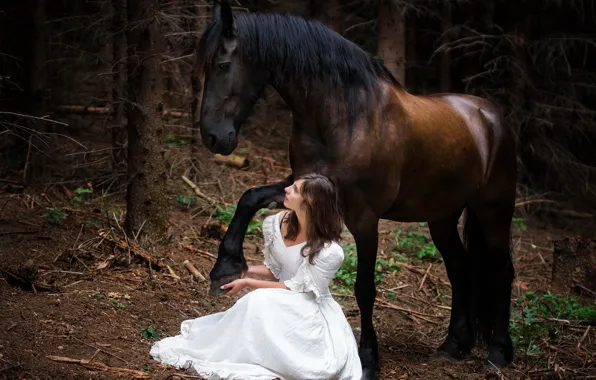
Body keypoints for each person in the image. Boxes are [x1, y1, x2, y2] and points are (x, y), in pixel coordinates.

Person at [150, 173, 363, 380]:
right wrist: (246, 270)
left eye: (295, 189)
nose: (286, 188)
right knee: (259, 301)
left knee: (258, 299)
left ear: (310, 203)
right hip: (284, 297)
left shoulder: (329, 252)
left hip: (308, 306)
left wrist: (249, 283)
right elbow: (276, 269)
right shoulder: (279, 222)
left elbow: (299, 289)